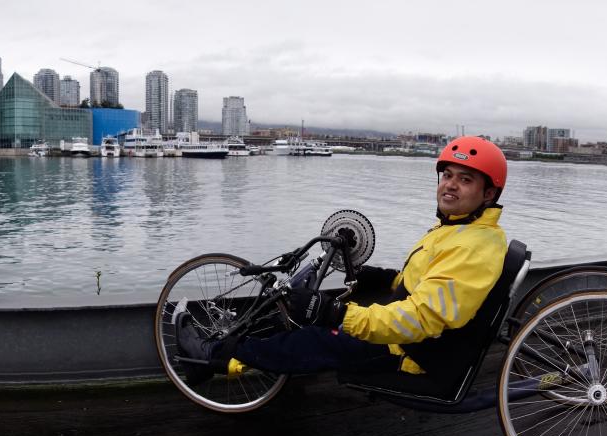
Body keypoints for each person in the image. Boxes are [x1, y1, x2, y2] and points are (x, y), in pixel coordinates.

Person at [174, 136, 510, 385]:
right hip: (417, 339)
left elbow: (423, 318)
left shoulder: (470, 247)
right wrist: (386, 279)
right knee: (320, 307)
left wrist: (335, 314)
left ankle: (209, 358)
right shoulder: (463, 231)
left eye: (465, 179)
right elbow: (432, 283)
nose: (450, 185)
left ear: (488, 193)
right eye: (448, 175)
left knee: (319, 336)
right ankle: (261, 354)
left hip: (413, 355)